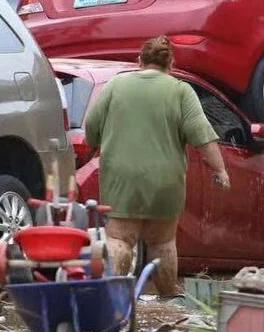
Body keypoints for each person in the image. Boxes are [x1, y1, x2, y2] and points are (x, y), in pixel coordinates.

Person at [83, 36, 230, 299]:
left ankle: (113, 301)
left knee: (119, 239)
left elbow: (91, 127)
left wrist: (94, 144)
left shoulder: (116, 85)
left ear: (139, 61)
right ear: (170, 64)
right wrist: (220, 170)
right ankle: (167, 301)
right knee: (163, 242)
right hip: (166, 180)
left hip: (121, 178)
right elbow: (202, 136)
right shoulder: (180, 90)